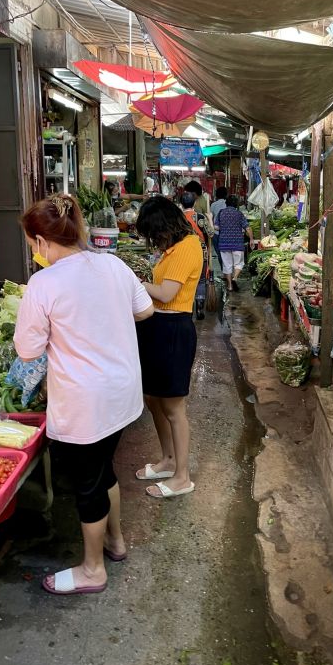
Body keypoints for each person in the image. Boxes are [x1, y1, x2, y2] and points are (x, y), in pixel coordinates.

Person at [14, 194, 154, 596]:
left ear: (42, 241)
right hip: (122, 393)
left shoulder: (44, 283)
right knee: (103, 469)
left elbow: (27, 351)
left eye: (31, 243)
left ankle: (93, 570)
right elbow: (145, 310)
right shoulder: (113, 265)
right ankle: (116, 541)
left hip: (86, 402)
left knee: (88, 485)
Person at [134, 196, 204, 497]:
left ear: (165, 226)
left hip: (174, 330)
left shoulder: (188, 246)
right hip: (157, 327)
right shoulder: (170, 250)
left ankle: (182, 477)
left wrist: (134, 283)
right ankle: (168, 460)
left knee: (174, 407)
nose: (153, 240)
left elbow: (165, 293)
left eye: (154, 233)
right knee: (154, 399)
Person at [180, 191, 214, 320]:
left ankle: (186, 307)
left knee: (184, 280)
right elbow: (211, 234)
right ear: (194, 203)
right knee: (201, 280)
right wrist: (210, 219)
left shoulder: (177, 218)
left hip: (183, 254)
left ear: (181, 204)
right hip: (200, 253)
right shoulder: (200, 217)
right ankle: (199, 308)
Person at [215, 195, 254, 292]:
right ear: (236, 204)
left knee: (227, 265)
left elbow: (216, 227)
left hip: (224, 243)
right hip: (237, 243)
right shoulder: (239, 214)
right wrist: (251, 239)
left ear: (226, 203)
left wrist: (224, 227)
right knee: (239, 263)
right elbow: (247, 228)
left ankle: (229, 286)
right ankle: (235, 278)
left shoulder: (221, 213)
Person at [210, 187, 228, 270]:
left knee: (219, 252)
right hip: (226, 232)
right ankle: (227, 270)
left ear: (216, 195)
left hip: (216, 233)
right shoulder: (227, 204)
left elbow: (210, 217)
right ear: (226, 195)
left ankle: (223, 269)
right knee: (226, 252)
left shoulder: (213, 205)